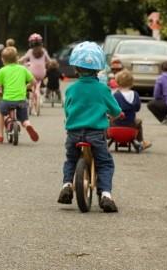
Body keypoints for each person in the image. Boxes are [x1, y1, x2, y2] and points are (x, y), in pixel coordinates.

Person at [57, 41, 122, 212]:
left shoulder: (71, 89)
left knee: (71, 159)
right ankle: (106, 194)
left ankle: (66, 185)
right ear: (99, 69)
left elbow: (67, 109)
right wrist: (117, 115)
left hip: (74, 133)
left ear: (76, 68)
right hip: (96, 134)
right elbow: (115, 110)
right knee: (105, 163)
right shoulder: (103, 89)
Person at [0, 46, 39, 144]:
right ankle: (27, 125)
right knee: (24, 119)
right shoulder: (23, 69)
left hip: (7, 101)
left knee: (1, 112)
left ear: (3, 59)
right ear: (17, 58)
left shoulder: (3, 70)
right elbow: (34, 82)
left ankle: (0, 136)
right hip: (21, 100)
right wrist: (26, 86)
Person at [111, 69, 152, 151]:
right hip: (131, 126)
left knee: (105, 121)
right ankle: (141, 141)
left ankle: (103, 141)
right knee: (138, 121)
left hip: (115, 126)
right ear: (132, 83)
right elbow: (137, 108)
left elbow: (112, 109)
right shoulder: (135, 94)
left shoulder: (116, 95)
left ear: (117, 82)